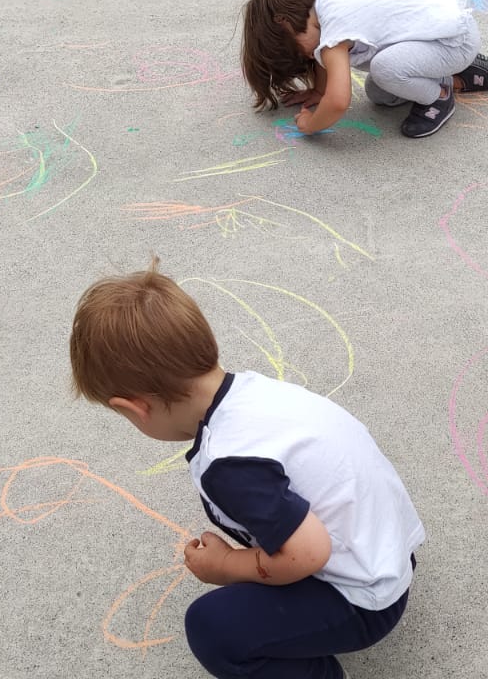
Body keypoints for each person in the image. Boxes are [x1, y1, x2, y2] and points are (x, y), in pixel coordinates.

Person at [69, 260, 424, 679]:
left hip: (366, 597)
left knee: (212, 629)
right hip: (390, 547)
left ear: (135, 408)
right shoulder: (255, 391)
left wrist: (226, 566)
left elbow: (308, 553)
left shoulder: (228, 464)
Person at [241, 0, 488, 138]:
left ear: (284, 22)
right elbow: (325, 64)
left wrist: (311, 124)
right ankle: (461, 75)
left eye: (297, 50)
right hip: (441, 33)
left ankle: (439, 96)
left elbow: (338, 102)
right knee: (380, 93)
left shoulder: (334, 31)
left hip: (454, 41)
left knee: (386, 70)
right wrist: (320, 92)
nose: (309, 56)